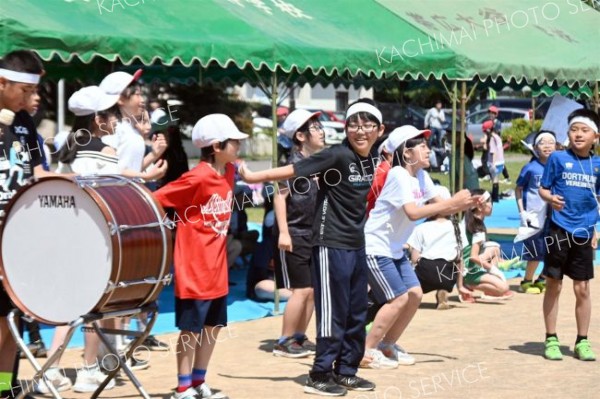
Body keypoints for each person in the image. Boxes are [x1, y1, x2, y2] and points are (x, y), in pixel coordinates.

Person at [240, 101, 384, 396]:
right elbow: (292, 171)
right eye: (354, 124)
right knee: (333, 311)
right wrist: (253, 177)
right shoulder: (337, 155)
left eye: (367, 125)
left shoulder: (371, 160)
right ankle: (320, 373)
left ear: (379, 131)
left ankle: (346, 371)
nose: (360, 131)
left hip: (356, 245)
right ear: (346, 128)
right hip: (330, 245)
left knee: (357, 311)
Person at [362, 125, 476, 370]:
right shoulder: (398, 175)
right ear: (406, 153)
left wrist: (468, 202)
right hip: (376, 246)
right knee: (398, 298)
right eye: (421, 145)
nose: (428, 149)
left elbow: (443, 206)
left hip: (393, 250)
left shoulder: (421, 177)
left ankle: (387, 344)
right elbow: (413, 213)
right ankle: (366, 350)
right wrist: (453, 204)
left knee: (414, 294)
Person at [154, 113, 248, 399]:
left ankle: (199, 381)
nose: (240, 146)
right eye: (235, 142)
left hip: (217, 268)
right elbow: (158, 199)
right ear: (217, 146)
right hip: (194, 268)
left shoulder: (228, 172)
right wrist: (172, 231)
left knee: (212, 327)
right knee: (190, 330)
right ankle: (183, 387)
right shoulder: (196, 178)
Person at [538, 108, 600, 361]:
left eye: (584, 130)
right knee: (554, 284)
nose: (578, 134)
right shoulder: (558, 159)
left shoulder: (597, 165)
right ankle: (551, 338)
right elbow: (543, 189)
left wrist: (595, 229)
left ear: (596, 136)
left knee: (582, 288)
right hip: (558, 229)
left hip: (584, 232)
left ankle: (582, 341)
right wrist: (550, 198)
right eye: (574, 130)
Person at [272, 109, 325, 359]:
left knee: (313, 290)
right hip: (293, 232)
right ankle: (284, 341)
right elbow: (280, 197)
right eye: (316, 128)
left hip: (313, 234)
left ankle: (299, 337)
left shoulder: (320, 163)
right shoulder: (291, 165)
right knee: (301, 290)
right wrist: (284, 232)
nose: (322, 131)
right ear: (301, 136)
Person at [406, 185, 472, 310]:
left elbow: (415, 258)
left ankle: (413, 295)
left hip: (425, 271)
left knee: (413, 273)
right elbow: (460, 258)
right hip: (446, 273)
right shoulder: (457, 227)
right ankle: (443, 291)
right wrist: (460, 285)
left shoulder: (421, 228)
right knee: (451, 264)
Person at [515, 130, 557, 294]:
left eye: (550, 142)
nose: (547, 146)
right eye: (542, 143)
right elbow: (518, 189)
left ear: (557, 146)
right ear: (535, 148)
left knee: (555, 250)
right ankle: (526, 281)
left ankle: (542, 279)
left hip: (554, 216)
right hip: (533, 216)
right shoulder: (530, 168)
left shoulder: (559, 167)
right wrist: (522, 212)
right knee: (534, 250)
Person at [462, 190, 512, 302]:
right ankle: (468, 284)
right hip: (467, 269)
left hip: (463, 265)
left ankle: (483, 283)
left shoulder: (468, 220)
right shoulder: (477, 227)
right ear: (480, 207)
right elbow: (473, 257)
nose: (492, 205)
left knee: (494, 248)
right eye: (489, 202)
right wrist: (492, 269)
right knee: (503, 288)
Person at [483, 120, 504, 202]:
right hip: (501, 162)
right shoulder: (497, 137)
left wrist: (493, 164)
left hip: (495, 162)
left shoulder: (492, 139)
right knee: (496, 179)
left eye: (485, 131)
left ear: (488, 130)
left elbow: (493, 152)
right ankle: (496, 195)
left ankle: (495, 197)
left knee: (494, 179)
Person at [488, 105, 510, 184]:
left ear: (496, 114)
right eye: (489, 113)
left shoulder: (497, 123)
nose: (490, 114)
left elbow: (496, 133)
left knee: (498, 161)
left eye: (492, 113)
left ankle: (506, 177)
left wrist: (490, 133)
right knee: (496, 161)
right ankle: (492, 176)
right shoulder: (491, 122)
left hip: (496, 144)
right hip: (493, 143)